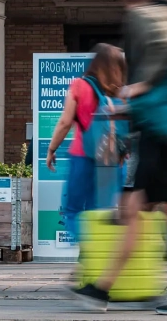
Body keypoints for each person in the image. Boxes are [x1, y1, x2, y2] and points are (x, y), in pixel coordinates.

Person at [73, 0, 167, 315]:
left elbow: (151, 80)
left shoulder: (144, 20)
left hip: (162, 131)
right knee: (134, 209)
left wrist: (128, 98)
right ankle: (100, 289)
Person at [46, 43, 126, 242]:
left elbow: (65, 122)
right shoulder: (121, 92)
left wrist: (51, 149)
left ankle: (90, 248)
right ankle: (96, 258)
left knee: (72, 210)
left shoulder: (80, 85)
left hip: (82, 155)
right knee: (99, 212)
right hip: (112, 159)